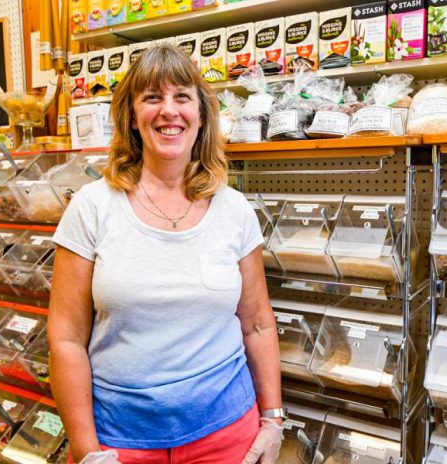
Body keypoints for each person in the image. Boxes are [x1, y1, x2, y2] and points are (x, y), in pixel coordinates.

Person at [48, 45, 284, 464]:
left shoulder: (234, 209)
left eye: (182, 97)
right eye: (152, 97)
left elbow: (258, 325)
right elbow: (66, 338)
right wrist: (87, 451)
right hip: (119, 440)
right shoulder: (91, 206)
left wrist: (273, 419)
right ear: (133, 117)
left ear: (201, 115)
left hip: (228, 434)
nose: (168, 111)